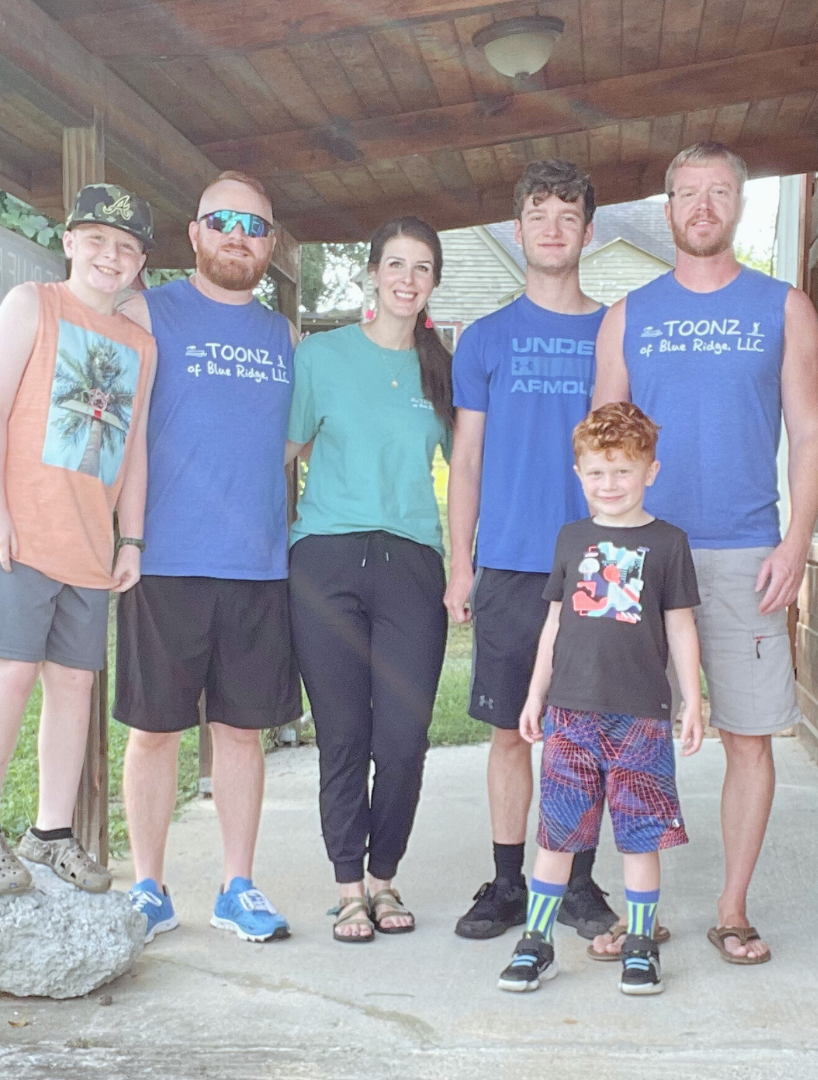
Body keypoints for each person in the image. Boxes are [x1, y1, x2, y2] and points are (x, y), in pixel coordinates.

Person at [593, 141, 818, 964]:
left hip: (743, 553)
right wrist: (603, 558)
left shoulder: (784, 305)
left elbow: (810, 429)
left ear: (737, 205)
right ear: (668, 211)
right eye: (687, 194)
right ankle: (638, 908)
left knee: (748, 734)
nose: (702, 206)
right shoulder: (629, 315)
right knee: (630, 736)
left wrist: (798, 539)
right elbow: (599, 442)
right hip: (640, 554)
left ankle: (732, 907)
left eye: (718, 192)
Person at [114, 172, 302, 943]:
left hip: (257, 564)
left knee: (240, 731)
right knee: (155, 730)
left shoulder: (286, 336)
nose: (238, 235)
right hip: (162, 559)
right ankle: (149, 887)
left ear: (270, 244)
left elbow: (291, 441)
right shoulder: (145, 310)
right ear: (194, 232)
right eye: (222, 220)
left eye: (254, 226)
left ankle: (236, 886)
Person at [0, 184, 157, 896]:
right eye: (98, 240)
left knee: (74, 686)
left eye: (128, 248)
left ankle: (50, 832)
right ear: (70, 240)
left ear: (140, 265)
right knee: (10, 675)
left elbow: (132, 450)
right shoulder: (31, 304)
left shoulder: (141, 344)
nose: (111, 256)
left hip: (89, 547)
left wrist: (129, 540)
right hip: (21, 530)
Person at [446, 160, 617, 940]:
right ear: (517, 231)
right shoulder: (484, 337)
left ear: (588, 231)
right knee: (511, 730)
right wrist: (460, 563)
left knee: (585, 732)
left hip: (599, 560)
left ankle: (578, 884)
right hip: (512, 561)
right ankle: (509, 881)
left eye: (568, 213)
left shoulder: (615, 331)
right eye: (538, 212)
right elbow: (468, 460)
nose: (553, 225)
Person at [497, 401, 703, 996]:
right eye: (596, 472)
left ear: (650, 473)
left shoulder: (668, 543)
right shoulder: (572, 538)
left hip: (641, 717)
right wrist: (536, 695)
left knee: (641, 834)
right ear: (579, 474)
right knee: (556, 833)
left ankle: (639, 943)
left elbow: (682, 626)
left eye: (623, 471)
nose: (609, 484)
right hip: (570, 713)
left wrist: (692, 698)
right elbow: (555, 626)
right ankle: (537, 942)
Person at [287, 217, 452, 942]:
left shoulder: (441, 370)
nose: (406, 279)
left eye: (421, 268)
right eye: (394, 264)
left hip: (412, 562)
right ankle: (350, 886)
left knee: (405, 738)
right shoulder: (322, 357)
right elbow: (283, 450)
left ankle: (387, 877)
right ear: (372, 273)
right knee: (345, 734)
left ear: (433, 284)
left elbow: (472, 469)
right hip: (325, 560)